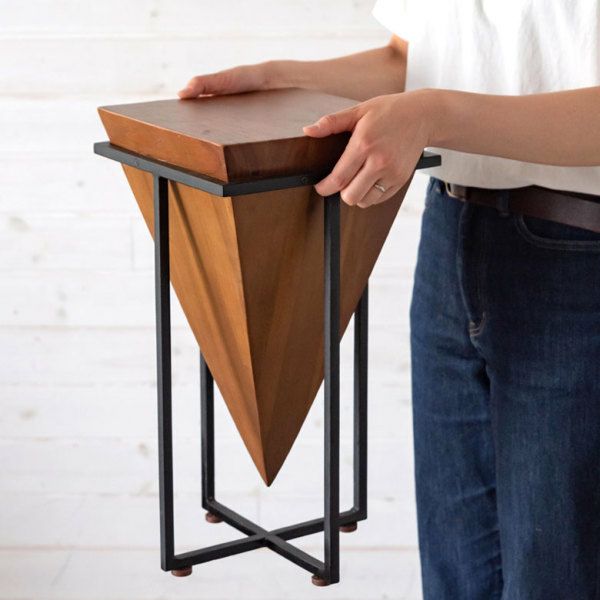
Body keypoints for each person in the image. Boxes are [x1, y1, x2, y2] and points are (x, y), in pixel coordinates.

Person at [178, 1, 600, 597]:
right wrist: (281, 80)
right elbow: (412, 58)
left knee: (555, 573)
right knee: (456, 571)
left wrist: (434, 115)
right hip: (450, 228)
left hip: (577, 252)